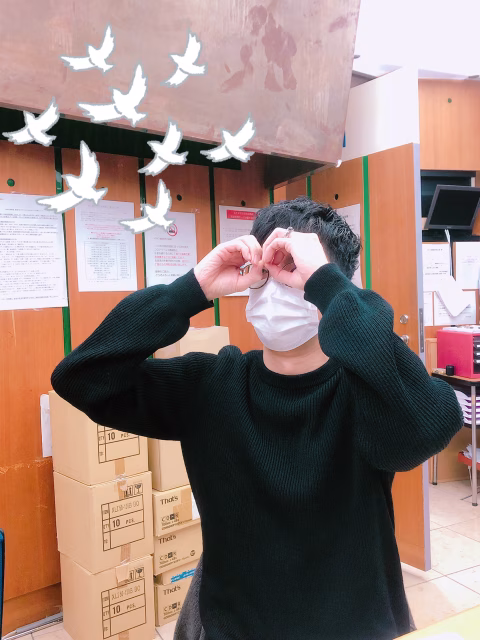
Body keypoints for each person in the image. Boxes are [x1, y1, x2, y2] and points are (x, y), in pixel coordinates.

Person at [51, 196, 463, 640]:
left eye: (294, 270)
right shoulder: (212, 385)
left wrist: (329, 286)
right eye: (265, 273)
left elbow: (428, 426)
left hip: (358, 627)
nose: (275, 288)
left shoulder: (367, 389)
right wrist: (191, 289)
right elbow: (82, 378)